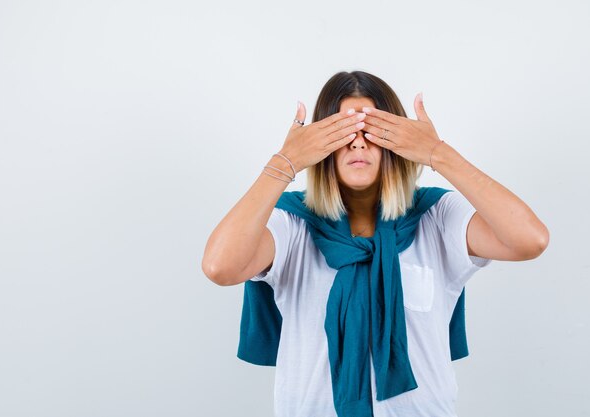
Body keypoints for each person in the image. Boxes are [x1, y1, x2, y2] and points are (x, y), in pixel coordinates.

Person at [202, 70, 549, 417]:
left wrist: (437, 154)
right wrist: (285, 162)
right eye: (342, 131)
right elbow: (220, 266)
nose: (357, 142)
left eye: (371, 130)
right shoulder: (291, 224)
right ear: (321, 146)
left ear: (396, 141)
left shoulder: (437, 216)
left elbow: (529, 240)